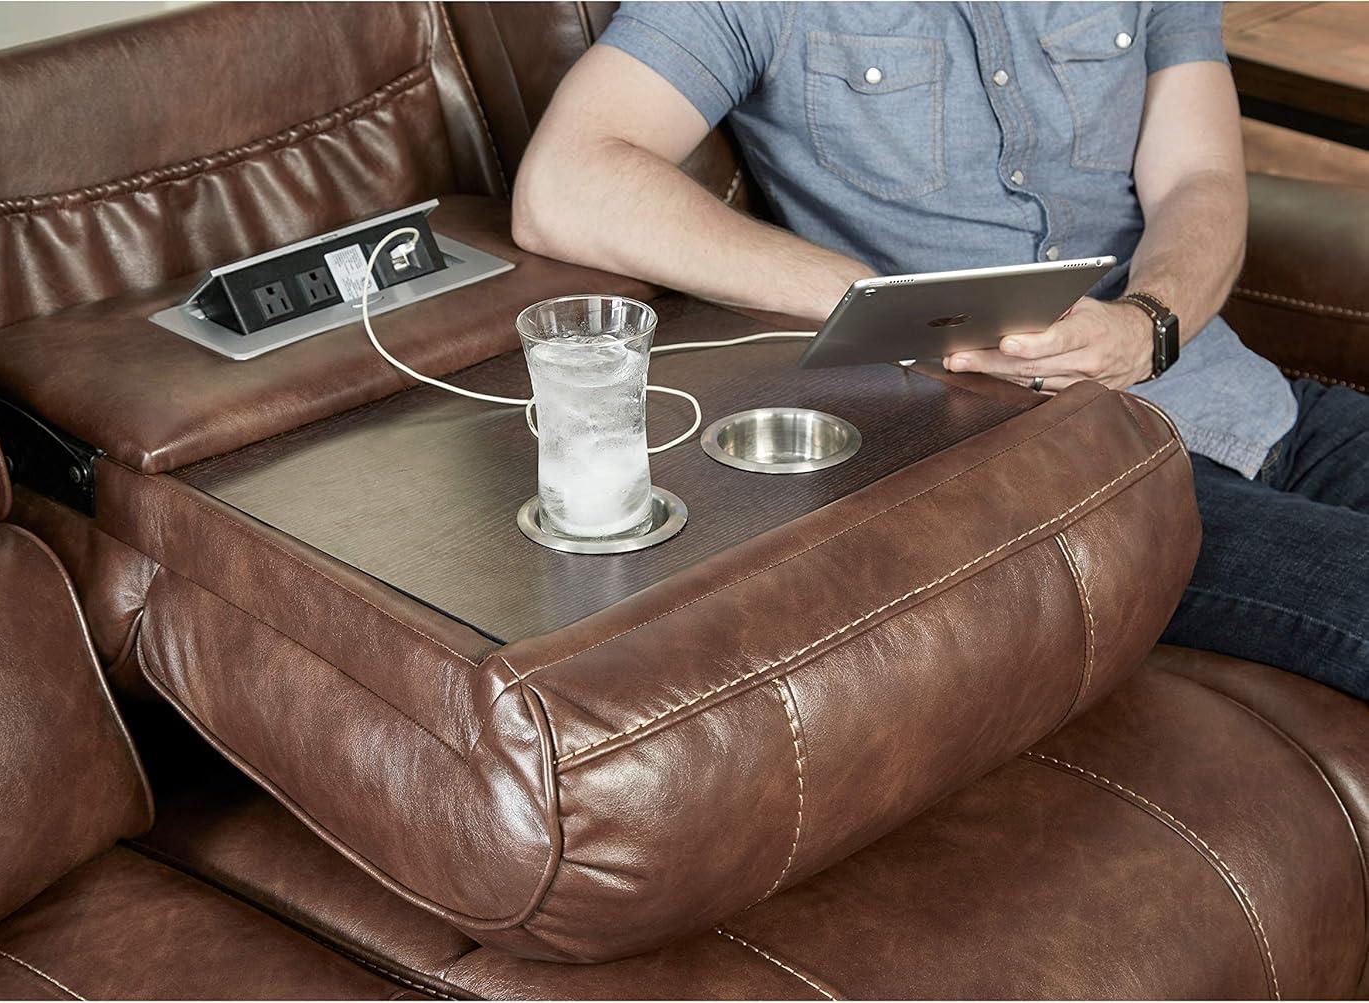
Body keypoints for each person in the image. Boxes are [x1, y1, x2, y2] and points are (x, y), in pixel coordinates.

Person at [511, 2, 1369, 700]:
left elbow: (1200, 179)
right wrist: (869, 302)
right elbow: (566, 181)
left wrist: (1148, 326)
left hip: (1238, 391)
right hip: (1059, 469)